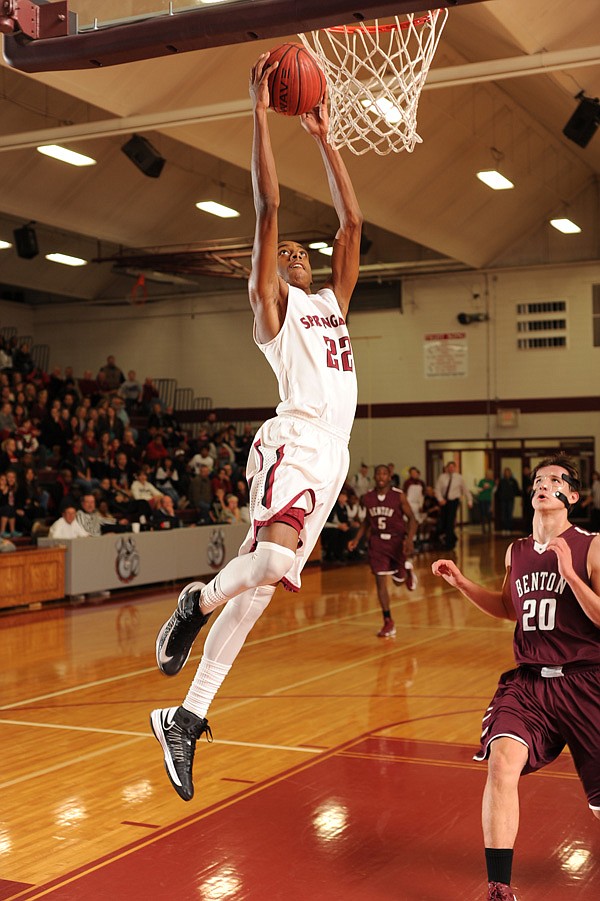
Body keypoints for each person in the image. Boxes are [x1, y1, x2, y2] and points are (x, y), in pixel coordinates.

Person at [150, 51, 362, 802]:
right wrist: (258, 116)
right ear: (275, 272)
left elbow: (353, 222)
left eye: (306, 253)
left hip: (331, 460)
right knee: (266, 571)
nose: (299, 253)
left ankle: (186, 716)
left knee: (262, 593)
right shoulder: (271, 312)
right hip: (294, 440)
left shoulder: (333, 302)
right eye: (289, 254)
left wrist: (325, 136)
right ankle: (192, 602)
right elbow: (269, 209)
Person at [431, 454, 600, 901]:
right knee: (503, 761)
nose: (545, 484)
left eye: (556, 480)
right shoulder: (518, 550)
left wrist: (570, 576)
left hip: (586, 682)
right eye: (539, 479)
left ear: (573, 496)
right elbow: (509, 608)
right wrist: (463, 584)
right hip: (529, 684)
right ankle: (498, 887)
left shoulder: (592, 546)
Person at [348, 464, 417, 637]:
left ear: (389, 477)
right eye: (378, 473)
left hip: (396, 541)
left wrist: (409, 540)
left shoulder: (398, 496)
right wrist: (356, 539)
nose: (381, 476)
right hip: (377, 542)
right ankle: (388, 621)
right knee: (380, 581)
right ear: (374, 476)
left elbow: (413, 519)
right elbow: (366, 521)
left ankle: (407, 572)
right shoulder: (367, 497)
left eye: (384, 473)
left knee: (398, 582)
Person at [434, 461, 473, 551]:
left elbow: (465, 489)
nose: (451, 469)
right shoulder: (442, 477)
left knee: (450, 521)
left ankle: (449, 543)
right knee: (443, 521)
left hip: (454, 501)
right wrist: (440, 499)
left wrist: (469, 500)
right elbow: (437, 489)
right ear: (447, 468)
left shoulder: (459, 478)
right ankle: (452, 538)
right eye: (449, 467)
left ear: (455, 468)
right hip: (444, 501)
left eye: (452, 467)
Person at [496, 467, 521, 534]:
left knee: (509, 514)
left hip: (510, 499)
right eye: (505, 472)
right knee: (503, 514)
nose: (506, 473)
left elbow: (517, 489)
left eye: (508, 472)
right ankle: (504, 528)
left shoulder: (513, 481)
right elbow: (498, 490)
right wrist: (500, 496)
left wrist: (513, 494)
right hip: (503, 499)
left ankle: (509, 528)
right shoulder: (501, 481)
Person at [477, 468, 496, 534]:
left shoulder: (492, 482)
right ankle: (483, 528)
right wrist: (483, 488)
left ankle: (489, 528)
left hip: (489, 500)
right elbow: (478, 490)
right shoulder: (482, 481)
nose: (490, 475)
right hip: (482, 499)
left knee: (488, 514)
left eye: (491, 474)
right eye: (489, 474)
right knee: (482, 513)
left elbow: (494, 491)